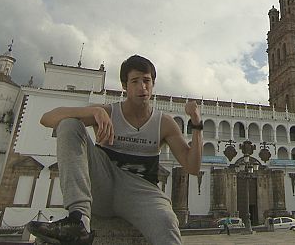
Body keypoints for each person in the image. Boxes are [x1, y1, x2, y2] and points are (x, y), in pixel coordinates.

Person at [27, 55, 202, 245]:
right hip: (103, 184)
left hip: (141, 192)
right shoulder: (109, 112)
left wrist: (197, 124)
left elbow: (192, 167)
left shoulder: (164, 123)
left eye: (147, 80)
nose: (142, 87)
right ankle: (79, 220)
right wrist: (93, 112)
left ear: (153, 83)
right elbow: (47, 119)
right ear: (124, 86)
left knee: (167, 222)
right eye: (135, 81)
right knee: (69, 124)